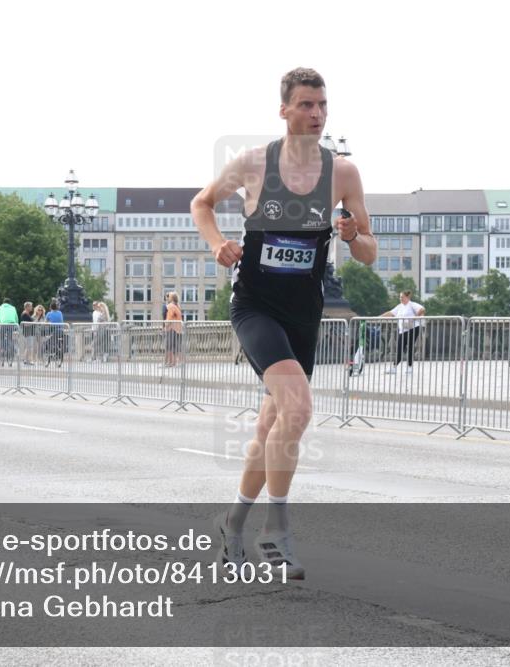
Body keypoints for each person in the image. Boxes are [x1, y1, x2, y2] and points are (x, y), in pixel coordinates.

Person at [191, 67, 376, 579]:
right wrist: (216, 244)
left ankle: (231, 523)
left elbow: (368, 253)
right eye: (306, 105)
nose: (316, 114)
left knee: (272, 426)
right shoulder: (253, 164)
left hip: (303, 313)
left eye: (322, 105)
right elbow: (201, 203)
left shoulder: (343, 173)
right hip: (255, 305)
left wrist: (350, 233)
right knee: (298, 407)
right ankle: (278, 527)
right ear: (284, 110)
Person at [380, 290, 425, 375]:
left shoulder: (412, 304)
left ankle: (409, 368)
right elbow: (391, 313)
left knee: (410, 347)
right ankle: (394, 368)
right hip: (403, 330)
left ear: (407, 297)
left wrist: (414, 317)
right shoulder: (399, 306)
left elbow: (422, 309)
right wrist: (379, 317)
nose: (400, 298)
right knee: (399, 348)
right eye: (400, 297)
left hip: (413, 328)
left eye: (402, 297)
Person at [0, 297, 19, 366]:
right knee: (10, 339)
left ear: (3, 303)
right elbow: (16, 318)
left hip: (3, 324)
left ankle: (2, 353)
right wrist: (16, 324)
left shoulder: (0, 307)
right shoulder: (13, 308)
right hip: (12, 324)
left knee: (1, 339)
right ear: (10, 303)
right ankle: (11, 352)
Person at [164, 292, 183, 367]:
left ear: (170, 298)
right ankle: (177, 362)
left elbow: (169, 317)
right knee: (176, 347)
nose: (166, 298)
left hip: (172, 328)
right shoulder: (177, 306)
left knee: (169, 346)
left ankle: (170, 362)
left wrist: (165, 326)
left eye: (168, 297)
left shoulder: (170, 306)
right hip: (178, 329)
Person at [44, 300, 65, 367]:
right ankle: (58, 351)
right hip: (61, 331)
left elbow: (45, 323)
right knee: (55, 342)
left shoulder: (49, 314)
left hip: (53, 331)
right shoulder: (60, 313)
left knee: (48, 343)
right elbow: (61, 320)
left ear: (50, 307)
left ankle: (52, 353)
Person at [20, 301, 35, 365]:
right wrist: (33, 323)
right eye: (31, 306)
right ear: (27, 307)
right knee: (29, 347)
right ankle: (27, 360)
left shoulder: (27, 314)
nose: (32, 307)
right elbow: (25, 324)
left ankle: (26, 359)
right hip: (27, 332)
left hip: (29, 332)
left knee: (28, 347)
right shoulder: (25, 314)